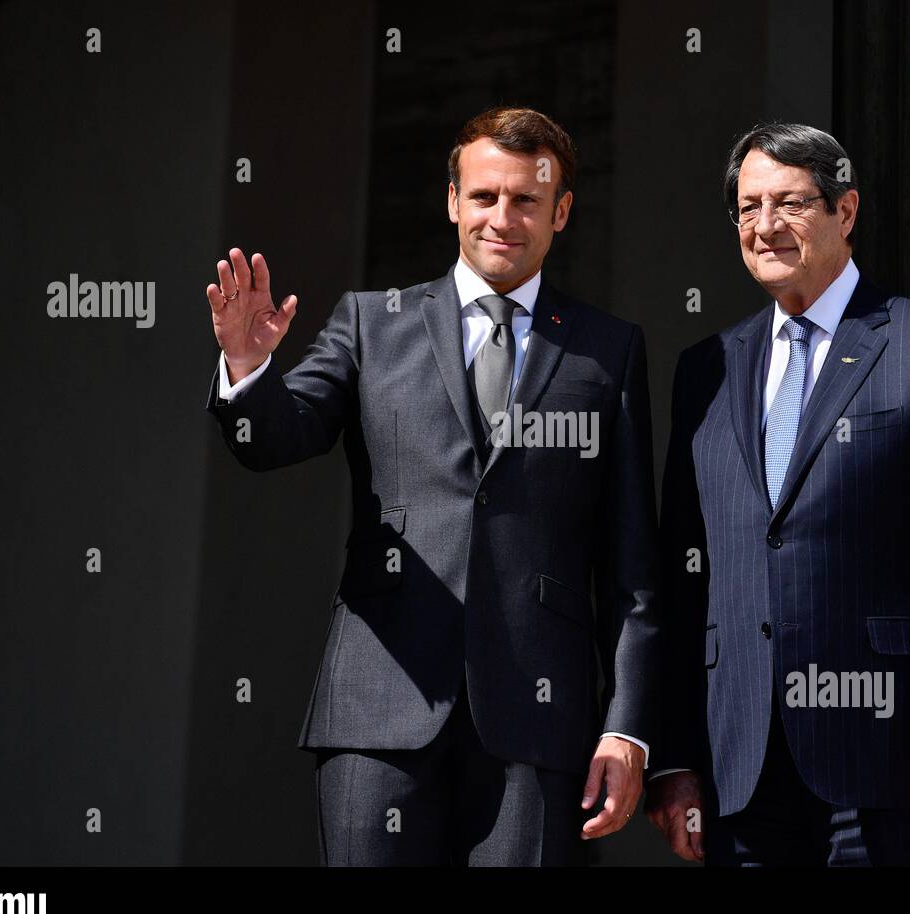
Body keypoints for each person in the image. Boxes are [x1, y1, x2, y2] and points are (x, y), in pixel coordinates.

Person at [203, 107, 659, 866]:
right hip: (379, 706)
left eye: (525, 200)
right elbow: (278, 439)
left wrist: (627, 725)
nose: (502, 218)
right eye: (484, 197)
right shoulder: (369, 324)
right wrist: (250, 373)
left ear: (562, 211)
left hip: (539, 725)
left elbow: (634, 570)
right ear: (453, 201)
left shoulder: (609, 350)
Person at [645, 122, 910, 866]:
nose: (765, 227)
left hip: (890, 769)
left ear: (845, 212)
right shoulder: (707, 369)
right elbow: (684, 579)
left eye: (789, 203)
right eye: (748, 208)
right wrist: (674, 759)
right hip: (740, 773)